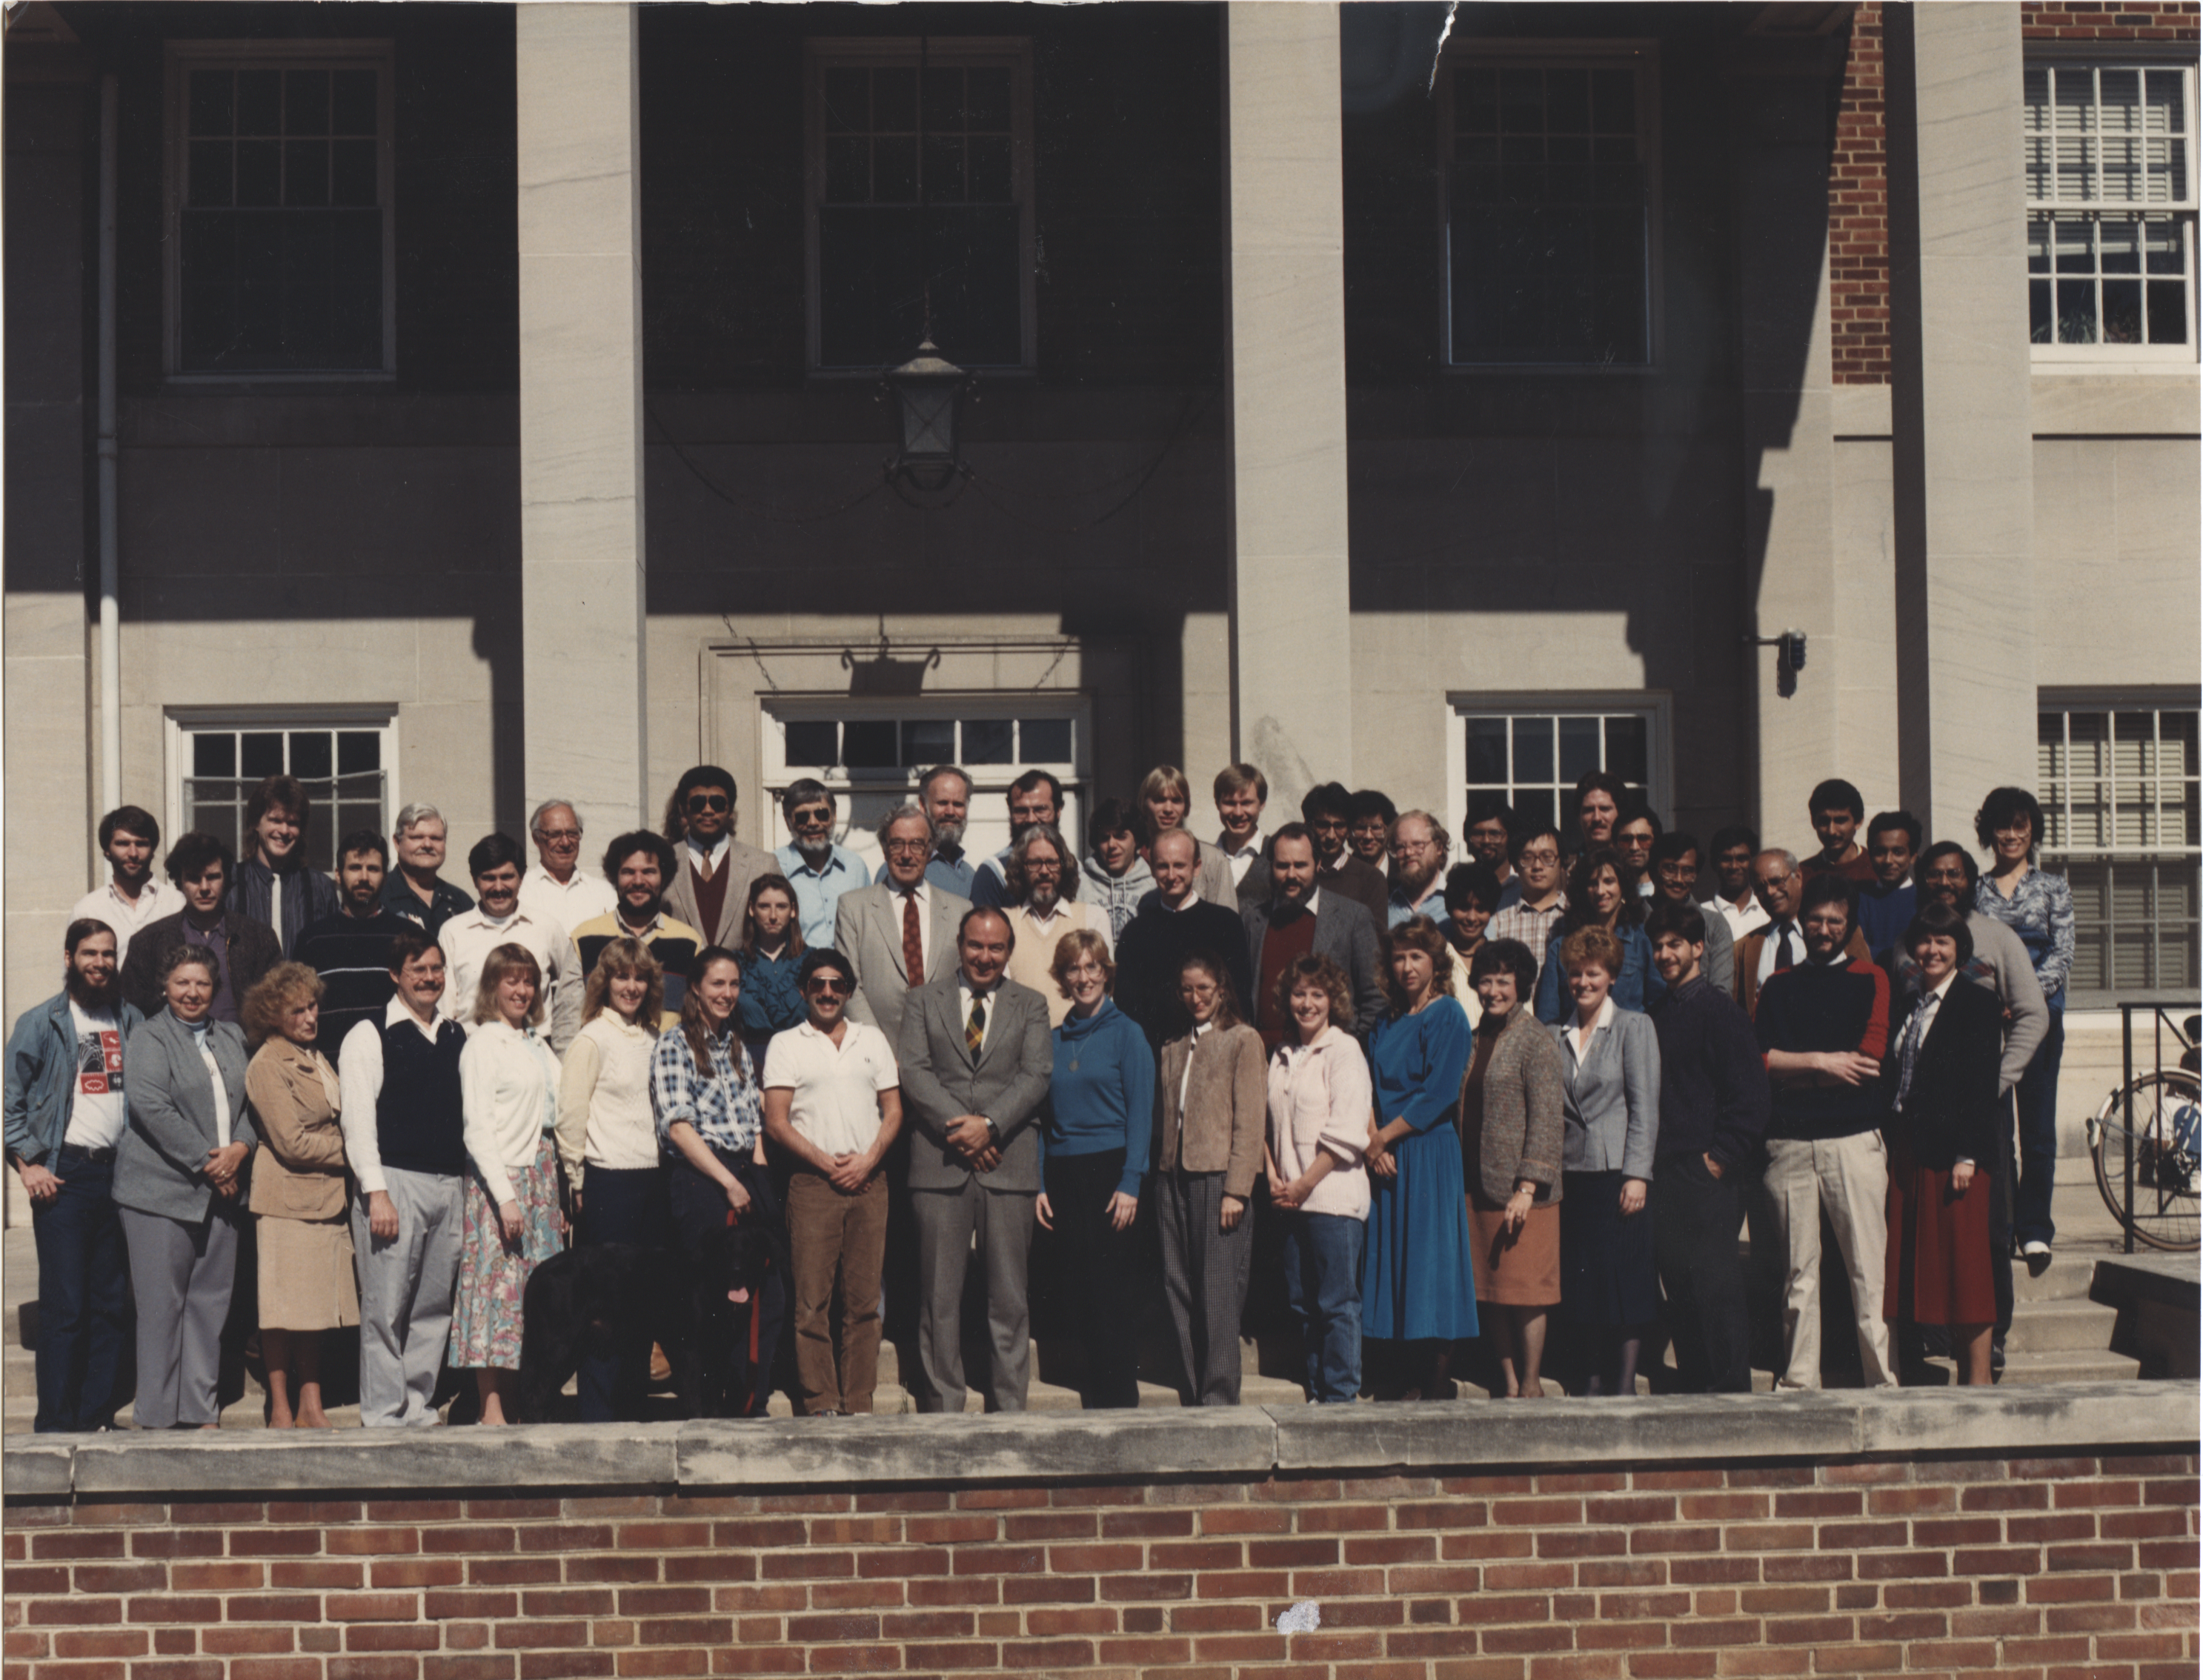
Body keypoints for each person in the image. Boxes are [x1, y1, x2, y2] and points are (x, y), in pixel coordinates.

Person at [1890, 841, 2050, 1367]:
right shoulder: (1906, 944)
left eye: (1953, 874)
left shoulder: (1997, 937)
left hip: (1981, 1110)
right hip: (1924, 1120)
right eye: (1933, 874)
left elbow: (2032, 1013)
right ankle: (1941, 1336)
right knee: (1934, 1231)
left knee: (1985, 1228)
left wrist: (1994, 1081)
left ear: (1968, 879)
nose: (1943, 882)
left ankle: (1991, 1337)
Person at [896, 908, 1053, 1413]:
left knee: (1008, 1295)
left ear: (1008, 951)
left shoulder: (1030, 1004)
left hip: (1008, 1160)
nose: (985, 957)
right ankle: (944, 1404)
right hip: (938, 1163)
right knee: (938, 1296)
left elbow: (1034, 1076)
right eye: (975, 945)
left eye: (996, 948)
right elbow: (915, 1072)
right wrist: (964, 1128)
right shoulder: (922, 1000)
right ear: (959, 945)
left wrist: (988, 1125)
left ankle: (1009, 1406)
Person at [1755, 874, 1895, 1391]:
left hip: (1852, 1139)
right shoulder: (1778, 984)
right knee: (1798, 1273)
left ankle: (1881, 1377)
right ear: (1801, 920)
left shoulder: (1871, 978)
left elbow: (1869, 1058)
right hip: (1788, 1143)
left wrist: (1797, 1068)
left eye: (1835, 919)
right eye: (1814, 918)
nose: (1823, 927)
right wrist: (1820, 1061)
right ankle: (1798, 1382)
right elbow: (1760, 1058)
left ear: (1848, 925)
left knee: (1866, 1268)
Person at [4, 920, 142, 1432]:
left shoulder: (130, 1019)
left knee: (110, 1304)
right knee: (66, 1308)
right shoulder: (43, 1022)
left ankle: (95, 1416)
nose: (100, 962)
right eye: (89, 953)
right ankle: (56, 1426)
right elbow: (7, 1103)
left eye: (108, 953)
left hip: (119, 1175)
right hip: (67, 1176)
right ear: (68, 956)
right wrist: (27, 1162)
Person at [113, 944, 256, 1429]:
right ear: (165, 987)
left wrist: (239, 1148)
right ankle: (155, 1416)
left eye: (202, 983)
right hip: (160, 1192)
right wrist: (209, 1162)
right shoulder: (150, 1036)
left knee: (208, 1305)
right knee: (161, 1307)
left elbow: (250, 1105)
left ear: (215, 988)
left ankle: (199, 1409)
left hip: (223, 1193)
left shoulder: (231, 1035)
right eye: (182, 983)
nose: (193, 992)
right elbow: (150, 1105)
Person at [761, 948, 903, 1418]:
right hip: (812, 1185)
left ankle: (858, 1401)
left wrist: (867, 1162)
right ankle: (821, 1402)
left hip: (869, 1182)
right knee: (811, 1303)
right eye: (817, 984)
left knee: (863, 1303)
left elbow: (894, 1110)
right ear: (804, 990)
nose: (827, 992)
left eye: (836, 984)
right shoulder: (787, 1044)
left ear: (848, 990)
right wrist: (827, 1163)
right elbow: (777, 1122)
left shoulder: (872, 1039)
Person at [338, 930, 470, 1427]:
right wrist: (376, 1193)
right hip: (393, 1183)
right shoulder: (369, 1033)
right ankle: (383, 1412)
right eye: (418, 969)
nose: (429, 978)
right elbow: (358, 1121)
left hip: (447, 1184)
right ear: (395, 975)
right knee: (386, 1306)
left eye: (436, 968)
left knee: (433, 1305)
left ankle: (418, 1404)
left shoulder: (456, 1034)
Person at [651, 948, 785, 1419]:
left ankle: (752, 1402)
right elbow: (678, 1127)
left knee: (765, 1300)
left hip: (747, 1175)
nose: (727, 994)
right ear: (695, 989)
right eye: (717, 985)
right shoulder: (675, 1045)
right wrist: (728, 1182)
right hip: (704, 1180)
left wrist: (760, 1178)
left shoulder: (736, 1045)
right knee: (712, 1302)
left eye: (733, 985)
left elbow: (755, 1119)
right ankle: (711, 1409)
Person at [1644, 901, 1767, 1394]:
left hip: (1707, 1173)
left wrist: (1717, 1158)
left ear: (1698, 948)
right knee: (1678, 1286)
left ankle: (1730, 1394)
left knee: (1714, 1286)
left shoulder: (1721, 1013)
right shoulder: (1653, 1016)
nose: (1664, 954)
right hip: (1664, 1172)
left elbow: (1750, 1097)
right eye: (1657, 946)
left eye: (1674, 944)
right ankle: (1695, 1393)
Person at [1883, 903, 2003, 1386]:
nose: (1932, 950)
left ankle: (1977, 1379)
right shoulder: (1909, 1002)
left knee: (1965, 1264)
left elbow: (1980, 1084)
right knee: (1921, 1264)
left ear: (1959, 950)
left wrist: (1967, 1154)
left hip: (1956, 1156)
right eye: (1925, 941)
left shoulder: (1975, 1002)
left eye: (1943, 942)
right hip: (1911, 1148)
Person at [1034, 929, 1154, 1410]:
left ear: (1105, 972)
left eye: (1091, 967)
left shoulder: (1128, 1033)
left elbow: (1142, 1112)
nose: (1082, 977)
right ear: (1062, 978)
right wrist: (1040, 1182)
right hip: (1065, 1175)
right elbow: (1042, 1120)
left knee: (1112, 1292)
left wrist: (1130, 1181)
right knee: (1080, 1289)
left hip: (1111, 1174)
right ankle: (1092, 1390)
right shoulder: (1053, 1040)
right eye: (1073, 969)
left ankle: (1117, 1397)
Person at [1359, 919, 1478, 1398]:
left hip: (1427, 1151)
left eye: (1416, 957)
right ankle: (1403, 1373)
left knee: (1430, 1261)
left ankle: (1434, 1380)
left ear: (1434, 963)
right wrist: (1373, 1138)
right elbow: (1365, 1083)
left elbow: (1438, 1094)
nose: (1406, 966)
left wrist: (1382, 1137)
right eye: (1399, 957)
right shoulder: (1384, 1021)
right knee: (1396, 1259)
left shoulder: (1446, 1013)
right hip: (1386, 1153)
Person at [452, 943, 568, 1427]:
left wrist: (555, 1193)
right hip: (503, 1178)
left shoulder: (536, 1042)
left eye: (528, 981)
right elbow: (476, 1126)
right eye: (511, 981)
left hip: (541, 1176)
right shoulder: (483, 1042)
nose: (521, 990)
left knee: (534, 1295)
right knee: (496, 1291)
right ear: (492, 986)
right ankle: (491, 1407)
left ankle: (524, 1398)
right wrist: (505, 1196)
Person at [554, 937, 665, 1423]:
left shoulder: (652, 1037)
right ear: (605, 981)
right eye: (622, 976)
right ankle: (598, 1417)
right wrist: (576, 1179)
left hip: (651, 1184)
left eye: (640, 977)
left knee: (642, 1306)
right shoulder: (592, 1038)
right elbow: (570, 1115)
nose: (632, 986)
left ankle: (631, 1409)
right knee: (604, 1309)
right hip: (607, 1186)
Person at [241, 962, 356, 1430]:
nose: (310, 1018)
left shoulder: (315, 1056)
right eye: (297, 1011)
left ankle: (312, 1402)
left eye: (312, 1007)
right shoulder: (267, 1064)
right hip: (285, 1200)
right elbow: (291, 1143)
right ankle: (281, 1406)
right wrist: (354, 1153)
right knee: (281, 1310)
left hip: (325, 1200)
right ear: (273, 1015)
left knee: (313, 1310)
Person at [1550, 926, 1661, 1397]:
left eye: (1592, 973)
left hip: (1619, 1173)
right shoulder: (1558, 1034)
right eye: (1575, 974)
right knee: (1585, 1282)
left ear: (1611, 976)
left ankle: (1626, 1379)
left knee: (1626, 1278)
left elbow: (1645, 1106)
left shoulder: (1635, 1027)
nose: (1583, 982)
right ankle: (1592, 1377)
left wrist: (1638, 1174)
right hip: (1574, 1175)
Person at [1154, 952, 1266, 1407]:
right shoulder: (1173, 1045)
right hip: (1172, 1177)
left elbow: (1251, 1120)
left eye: (1203, 988)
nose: (1195, 997)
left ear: (1221, 989)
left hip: (1219, 1180)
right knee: (1177, 1284)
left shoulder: (1242, 1040)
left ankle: (1219, 1399)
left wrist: (1237, 1189)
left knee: (1218, 1292)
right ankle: (1193, 1389)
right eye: (1187, 989)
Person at [1971, 786, 2075, 1267]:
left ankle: (2035, 1229)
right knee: (1997, 1127)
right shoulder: (1975, 889)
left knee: (2036, 1128)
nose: (2010, 834)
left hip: (2040, 1014)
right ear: (1988, 831)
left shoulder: (2052, 887)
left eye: (2019, 825)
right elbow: (1965, 953)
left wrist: (2026, 997)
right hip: (1987, 1014)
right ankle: (2004, 1221)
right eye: (2001, 825)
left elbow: (2062, 952)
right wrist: (1996, 997)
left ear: (2031, 828)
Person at [1459, 939, 1565, 1400]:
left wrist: (1527, 1185)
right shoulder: (1472, 1037)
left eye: (1504, 980)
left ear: (1521, 983)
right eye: (1486, 980)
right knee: (1492, 1292)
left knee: (1527, 1292)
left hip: (1523, 1192)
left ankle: (1531, 1381)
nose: (1494, 990)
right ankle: (1505, 1381)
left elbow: (1546, 1118)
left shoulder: (1536, 1038)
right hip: (1475, 1185)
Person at [1265, 954, 1372, 1405]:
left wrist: (1306, 1183)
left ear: (1333, 1001)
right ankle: (1316, 1392)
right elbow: (1268, 1126)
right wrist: (1274, 1177)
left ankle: (1341, 1399)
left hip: (1333, 1200)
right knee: (1302, 1304)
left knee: (1336, 1305)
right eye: (1299, 994)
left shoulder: (1344, 1050)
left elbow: (1349, 1130)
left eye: (1317, 994)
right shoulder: (1283, 1055)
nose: (1307, 1003)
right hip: (1290, 1200)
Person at [836, 804, 968, 1054]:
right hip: (877, 1056)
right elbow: (849, 985)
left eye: (917, 844)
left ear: (930, 851)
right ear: (885, 850)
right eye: (897, 844)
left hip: (946, 1059)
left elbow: (968, 985)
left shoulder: (961, 910)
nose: (907, 854)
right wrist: (880, 1052)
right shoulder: (853, 907)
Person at [1243, 825, 1385, 1052]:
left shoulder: (1353, 917)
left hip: (1326, 1061)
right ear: (1271, 867)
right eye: (1282, 866)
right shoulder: (1253, 919)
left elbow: (1374, 998)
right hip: (1263, 1061)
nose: (1291, 875)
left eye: (1300, 865)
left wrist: (1344, 1048)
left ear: (1318, 865)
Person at [117, 832, 281, 1026]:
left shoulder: (259, 938)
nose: (204, 887)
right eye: (194, 879)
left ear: (226, 879)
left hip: (244, 1053)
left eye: (212, 877)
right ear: (180, 882)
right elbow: (129, 1014)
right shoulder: (148, 942)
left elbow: (278, 1007)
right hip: (174, 1053)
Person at [439, 834, 583, 1053]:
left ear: (521, 878)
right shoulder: (453, 931)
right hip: (474, 1049)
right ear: (474, 879)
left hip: (536, 1047)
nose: (499, 887)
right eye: (489, 878)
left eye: (507, 877)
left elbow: (572, 991)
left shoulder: (546, 927)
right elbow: (445, 1008)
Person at [1113, 829, 1253, 1050]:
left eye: (1179, 865)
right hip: (1155, 1059)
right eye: (1162, 866)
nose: (1171, 875)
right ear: (1151, 869)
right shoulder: (1135, 933)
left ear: (1196, 867)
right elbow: (1128, 1009)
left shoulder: (1226, 924)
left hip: (1216, 1055)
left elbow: (1240, 1001)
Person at [295, 831, 412, 1066]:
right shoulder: (312, 939)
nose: (364, 877)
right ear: (338, 874)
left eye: (373, 869)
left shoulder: (409, 936)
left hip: (395, 1070)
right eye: (355, 868)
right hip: (330, 1073)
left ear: (385, 877)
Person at [571, 832, 706, 1022]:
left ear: (664, 878)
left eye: (649, 872)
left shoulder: (690, 943)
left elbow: (701, 1018)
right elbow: (568, 1020)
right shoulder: (584, 938)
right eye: (628, 872)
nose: (638, 881)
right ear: (614, 878)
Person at [1000, 823, 1114, 1029]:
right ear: (1021, 869)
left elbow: (1106, 994)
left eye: (1052, 862)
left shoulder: (1093, 917)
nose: (1044, 871)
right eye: (1034, 863)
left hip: (1080, 1043)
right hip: (1023, 1047)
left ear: (1064, 866)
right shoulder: (1005, 922)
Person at [1533, 848, 1664, 1024]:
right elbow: (1547, 1017)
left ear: (1623, 885)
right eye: (1592, 883)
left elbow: (1658, 1007)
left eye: (1609, 881)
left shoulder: (1643, 941)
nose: (1600, 891)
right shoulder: (1561, 947)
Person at [1734, 848, 1867, 1019]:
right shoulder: (1745, 947)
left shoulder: (1839, 932)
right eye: (1760, 887)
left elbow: (1866, 986)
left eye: (1777, 881)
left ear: (1798, 876)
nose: (1770, 892)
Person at [663, 765, 779, 950]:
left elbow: (780, 934)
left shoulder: (763, 864)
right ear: (683, 809)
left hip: (743, 977)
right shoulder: (661, 862)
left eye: (717, 803)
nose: (708, 810)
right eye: (698, 803)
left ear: (730, 810)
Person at [230, 774, 344, 957]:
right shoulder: (231, 882)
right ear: (255, 823)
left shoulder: (321, 888)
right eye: (276, 820)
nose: (284, 831)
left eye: (292, 823)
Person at [72, 806, 178, 969]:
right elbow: (74, 977)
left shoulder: (177, 904)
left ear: (153, 850)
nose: (133, 853)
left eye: (141, 844)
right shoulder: (87, 910)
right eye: (123, 843)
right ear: (107, 850)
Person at [773, 780, 868, 948]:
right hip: (798, 972)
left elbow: (869, 926)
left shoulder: (855, 866)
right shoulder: (774, 867)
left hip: (849, 972)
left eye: (822, 814)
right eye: (802, 817)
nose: (813, 823)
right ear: (788, 822)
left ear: (834, 816)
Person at [869, 765, 978, 897]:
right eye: (942, 803)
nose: (950, 812)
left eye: (958, 804)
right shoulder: (901, 867)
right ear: (923, 804)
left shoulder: (970, 874)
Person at [1647, 831, 1734, 996]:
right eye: (1671, 870)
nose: (1679, 879)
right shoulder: (1635, 918)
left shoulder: (1714, 925)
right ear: (1653, 872)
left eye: (1688, 871)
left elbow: (1721, 995)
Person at [518, 799, 618, 943]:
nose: (565, 843)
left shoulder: (604, 892)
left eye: (572, 833)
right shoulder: (522, 891)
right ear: (536, 839)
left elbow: (628, 941)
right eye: (555, 835)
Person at [1139, 766, 1237, 909]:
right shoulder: (1134, 860)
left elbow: (1228, 924)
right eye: (1160, 800)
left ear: (1186, 806)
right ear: (1145, 804)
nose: (1168, 809)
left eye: (1176, 801)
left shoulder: (1213, 860)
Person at [970, 769, 1066, 911]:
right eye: (1021, 811)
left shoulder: (1073, 867)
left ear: (1058, 811)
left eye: (1041, 809)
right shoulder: (994, 872)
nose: (1031, 819)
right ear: (1010, 812)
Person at [737, 874, 807, 1066]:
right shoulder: (735, 964)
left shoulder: (812, 962)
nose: (773, 916)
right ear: (752, 909)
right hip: (749, 1064)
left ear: (793, 911)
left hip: (803, 1062)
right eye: (764, 906)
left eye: (782, 907)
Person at [1486, 824, 1568, 986]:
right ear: (1515, 866)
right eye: (1527, 858)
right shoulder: (1498, 922)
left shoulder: (1575, 917)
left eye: (1547, 857)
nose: (1537, 866)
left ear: (1562, 864)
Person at [1300, 783, 1389, 931]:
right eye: (1323, 825)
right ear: (1309, 826)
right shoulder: (1296, 873)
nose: (1331, 836)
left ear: (1349, 830)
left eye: (1339, 826)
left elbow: (1375, 942)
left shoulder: (1372, 879)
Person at [380, 803, 475, 938]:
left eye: (436, 838)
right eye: (417, 837)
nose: (427, 845)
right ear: (397, 842)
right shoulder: (376, 897)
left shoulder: (461, 902)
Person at [1078, 798, 1154, 943]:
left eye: (1120, 836)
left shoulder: (1153, 886)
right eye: (1105, 838)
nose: (1112, 845)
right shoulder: (1081, 886)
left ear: (1136, 840)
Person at [1437, 861, 1502, 1022]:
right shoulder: (1435, 960)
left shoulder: (1505, 958)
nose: (1472, 918)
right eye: (1464, 907)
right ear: (1450, 908)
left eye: (1481, 909)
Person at [1856, 811, 1922, 963]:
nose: (1888, 860)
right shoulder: (1859, 898)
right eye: (1880, 852)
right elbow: (1857, 950)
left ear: (1912, 857)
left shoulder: (1924, 900)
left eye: (1898, 852)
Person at [1212, 763, 1271, 900]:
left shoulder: (1275, 856)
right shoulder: (1204, 859)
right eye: (1230, 803)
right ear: (1217, 804)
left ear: (1262, 804)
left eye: (1246, 803)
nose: (1238, 813)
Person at [1704, 824, 1771, 943]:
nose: (1734, 866)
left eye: (1742, 859)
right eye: (1726, 859)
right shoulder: (1701, 915)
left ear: (1754, 863)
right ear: (1714, 864)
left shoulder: (1768, 911)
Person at [1801, 778, 1876, 883]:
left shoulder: (1878, 869)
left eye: (1840, 821)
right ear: (1813, 822)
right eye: (1824, 822)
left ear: (1858, 822)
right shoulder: (1802, 875)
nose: (1832, 831)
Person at [1385, 811, 1451, 929]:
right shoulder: (1387, 902)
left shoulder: (1458, 902)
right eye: (1401, 847)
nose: (1409, 852)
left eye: (1418, 844)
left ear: (1439, 848)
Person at [1463, 800, 1522, 912]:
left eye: (1495, 834)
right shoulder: (1459, 888)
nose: (1486, 841)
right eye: (1478, 834)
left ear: (1511, 837)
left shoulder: (1524, 889)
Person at [1612, 803, 1661, 902]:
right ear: (1615, 844)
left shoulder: (1666, 892)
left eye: (1643, 839)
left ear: (1655, 842)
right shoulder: (1607, 892)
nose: (1634, 847)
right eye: (1626, 840)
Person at [1572, 771, 1624, 857]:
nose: (1597, 818)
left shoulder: (1633, 866)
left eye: (1605, 809)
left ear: (1620, 814)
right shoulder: (1566, 869)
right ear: (1579, 817)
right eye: (1589, 810)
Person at [1348, 789, 1397, 869]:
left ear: (1389, 830)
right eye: (1361, 828)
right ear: (1349, 832)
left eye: (1376, 828)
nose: (1368, 836)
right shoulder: (1338, 874)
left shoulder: (1402, 874)